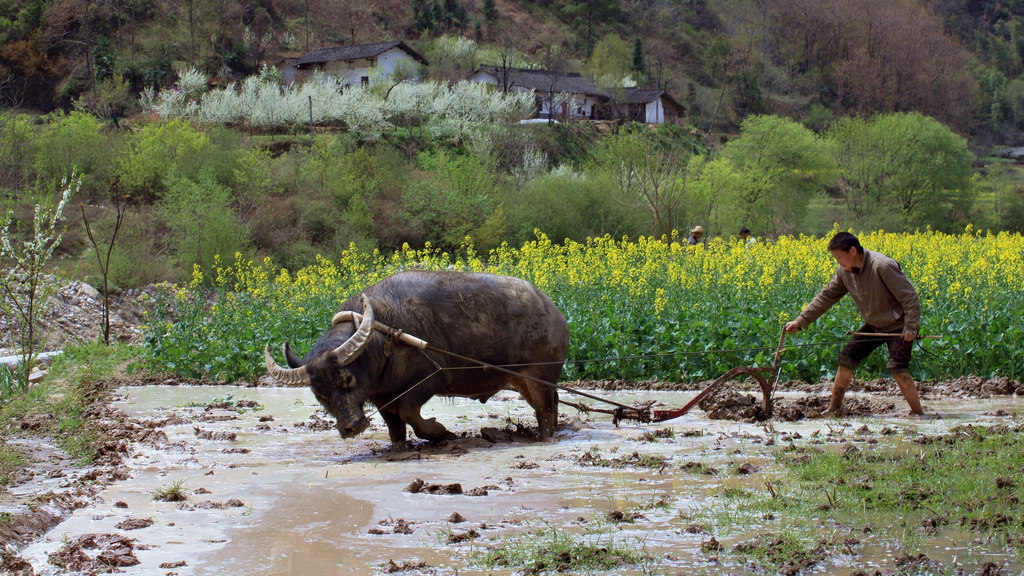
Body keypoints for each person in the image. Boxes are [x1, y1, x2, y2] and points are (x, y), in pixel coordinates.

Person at [783, 231, 924, 416]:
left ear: (852, 251)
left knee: (897, 367)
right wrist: (802, 321)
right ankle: (834, 409)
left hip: (899, 325)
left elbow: (910, 297)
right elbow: (827, 296)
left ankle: (918, 413)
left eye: (839, 257)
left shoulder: (882, 266)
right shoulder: (844, 272)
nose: (838, 262)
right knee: (846, 358)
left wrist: (911, 327)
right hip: (874, 325)